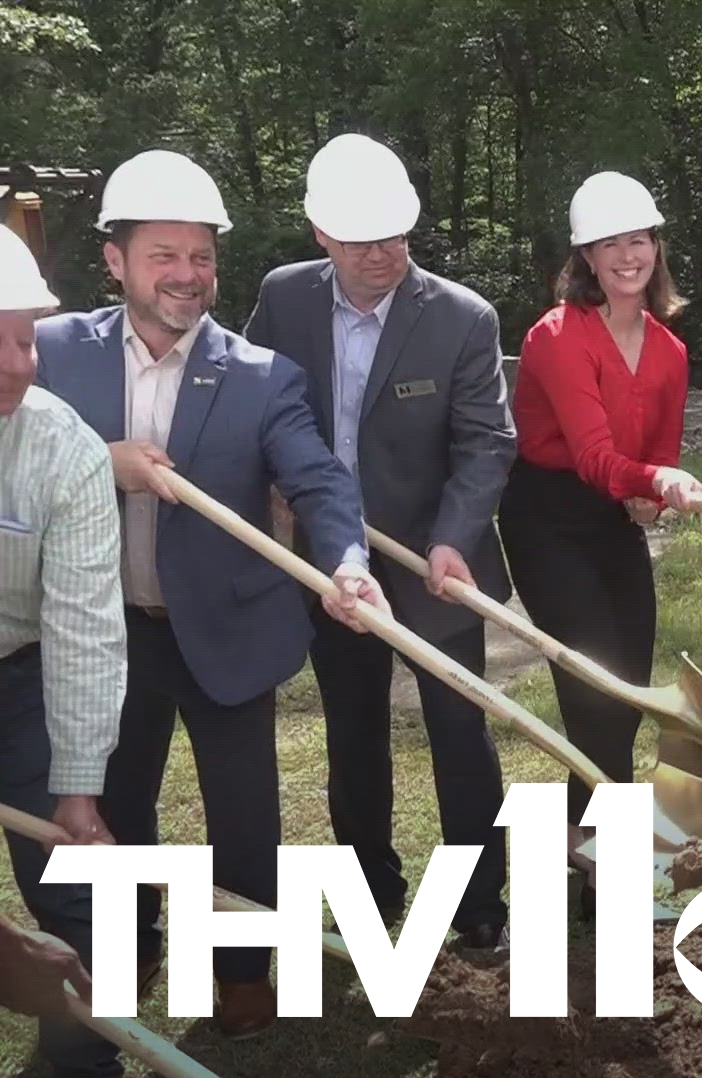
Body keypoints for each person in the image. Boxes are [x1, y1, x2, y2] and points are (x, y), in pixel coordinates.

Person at [34, 149, 385, 1039]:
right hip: (104, 633)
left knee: (244, 815)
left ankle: (238, 971)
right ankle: (129, 950)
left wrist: (346, 559)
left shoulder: (261, 375)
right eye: (164, 255)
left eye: (201, 256)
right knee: (113, 805)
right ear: (115, 260)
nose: (188, 276)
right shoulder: (49, 353)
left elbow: (321, 484)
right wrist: (97, 465)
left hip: (232, 627)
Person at [244, 133, 515, 950]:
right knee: (353, 731)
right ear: (320, 233)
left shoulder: (462, 317)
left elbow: (485, 444)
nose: (384, 253)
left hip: (438, 563)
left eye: (396, 235)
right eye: (363, 239)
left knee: (459, 732)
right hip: (334, 562)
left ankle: (477, 904)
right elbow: (254, 402)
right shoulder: (284, 300)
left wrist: (453, 539)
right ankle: (371, 890)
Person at [499, 171, 702, 873]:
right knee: (596, 693)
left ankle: (576, 841)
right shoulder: (558, 336)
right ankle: (606, 856)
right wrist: (652, 481)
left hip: (613, 520)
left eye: (639, 239)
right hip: (547, 516)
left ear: (656, 247)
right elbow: (592, 457)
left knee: (627, 689)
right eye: (608, 243)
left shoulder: (671, 351)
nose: (627, 255)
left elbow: (658, 456)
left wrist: (649, 493)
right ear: (585, 256)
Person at [0, 223, 125, 1078]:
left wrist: (78, 788)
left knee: (76, 882)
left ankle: (82, 1062)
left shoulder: (63, 448)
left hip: (18, 668)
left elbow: (84, 624)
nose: (19, 364)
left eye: (24, 336)